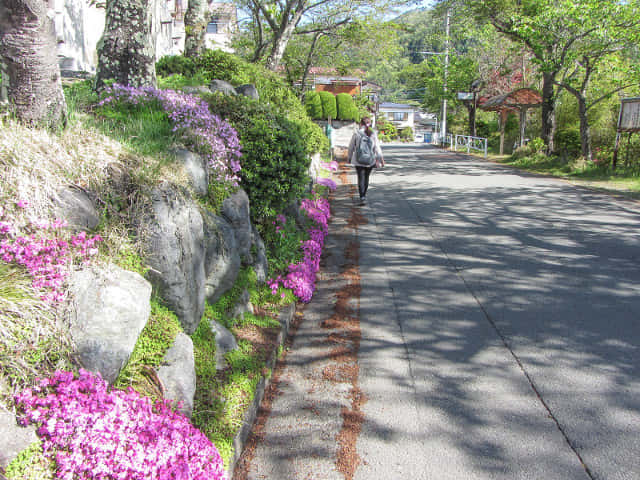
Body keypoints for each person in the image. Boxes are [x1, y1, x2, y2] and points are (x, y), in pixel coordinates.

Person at [347, 116, 384, 205]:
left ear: (361, 124)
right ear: (369, 124)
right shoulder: (372, 133)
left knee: (361, 178)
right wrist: (381, 159)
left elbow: (351, 147)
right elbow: (377, 148)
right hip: (370, 160)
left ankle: (362, 197)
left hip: (358, 160)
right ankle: (364, 195)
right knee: (366, 178)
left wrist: (349, 158)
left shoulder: (357, 133)